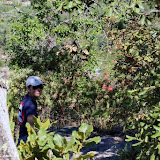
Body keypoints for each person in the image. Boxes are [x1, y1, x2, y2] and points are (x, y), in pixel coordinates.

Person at [17, 76, 44, 145]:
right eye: (35, 87)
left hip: (22, 137)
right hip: (27, 139)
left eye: (40, 87)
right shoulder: (30, 104)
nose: (38, 89)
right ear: (28, 89)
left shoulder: (26, 99)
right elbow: (30, 125)